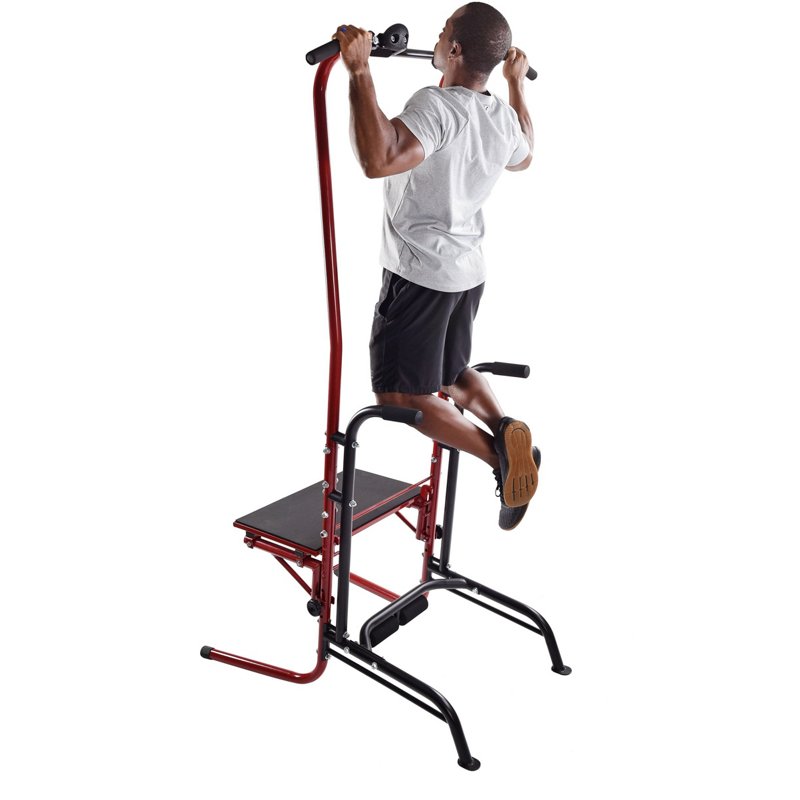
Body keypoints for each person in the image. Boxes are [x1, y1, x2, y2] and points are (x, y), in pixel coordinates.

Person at [332, 4, 538, 530]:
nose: (438, 37)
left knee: (400, 394)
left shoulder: (437, 105)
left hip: (419, 275)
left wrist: (359, 70)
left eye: (444, 32)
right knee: (449, 373)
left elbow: (379, 159)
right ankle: (506, 427)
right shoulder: (500, 115)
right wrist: (516, 84)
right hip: (466, 274)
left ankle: (500, 457)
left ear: (455, 50)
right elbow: (525, 155)